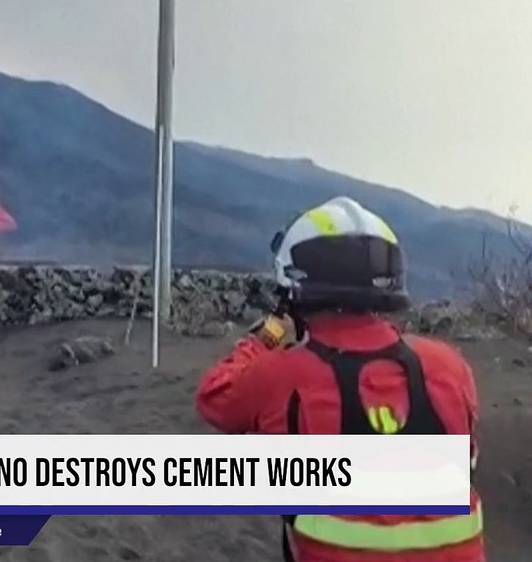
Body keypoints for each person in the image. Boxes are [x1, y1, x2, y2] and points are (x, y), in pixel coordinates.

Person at [195, 196, 483, 562]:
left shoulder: (283, 375)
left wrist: (267, 337)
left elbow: (214, 398)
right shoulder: (450, 367)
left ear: (293, 290)